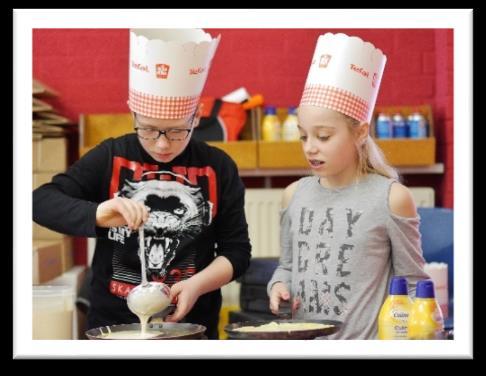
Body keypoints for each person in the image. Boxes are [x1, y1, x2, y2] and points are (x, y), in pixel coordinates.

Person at [33, 29, 251, 339]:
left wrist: (196, 285)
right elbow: (39, 202)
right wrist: (98, 213)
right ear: (133, 112)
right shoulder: (111, 155)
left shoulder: (218, 166)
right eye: (148, 130)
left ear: (197, 117)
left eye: (176, 131)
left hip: (191, 326)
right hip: (112, 324)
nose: (162, 145)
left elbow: (237, 252)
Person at [267, 33, 429, 339]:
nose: (310, 148)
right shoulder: (294, 195)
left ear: (360, 133)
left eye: (324, 136)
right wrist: (278, 286)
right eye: (304, 136)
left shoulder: (391, 198)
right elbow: (286, 267)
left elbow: (413, 285)